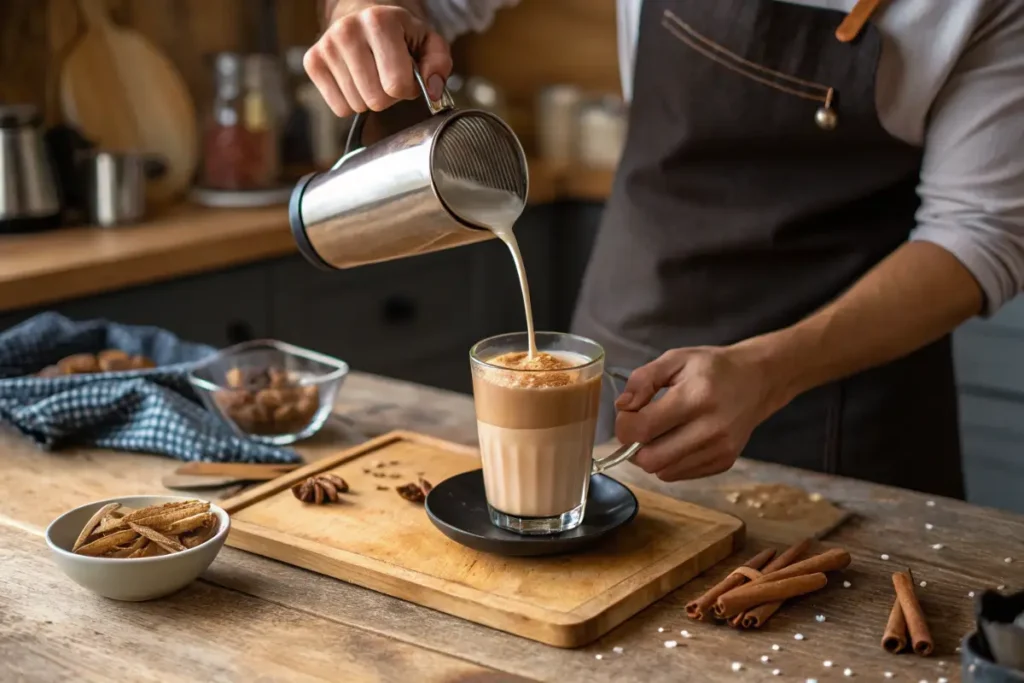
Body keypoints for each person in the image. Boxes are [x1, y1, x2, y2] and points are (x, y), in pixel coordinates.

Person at [305, 0, 1024, 497]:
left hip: (846, 404)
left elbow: (981, 231)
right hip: (626, 354)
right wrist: (364, 14)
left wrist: (773, 369)